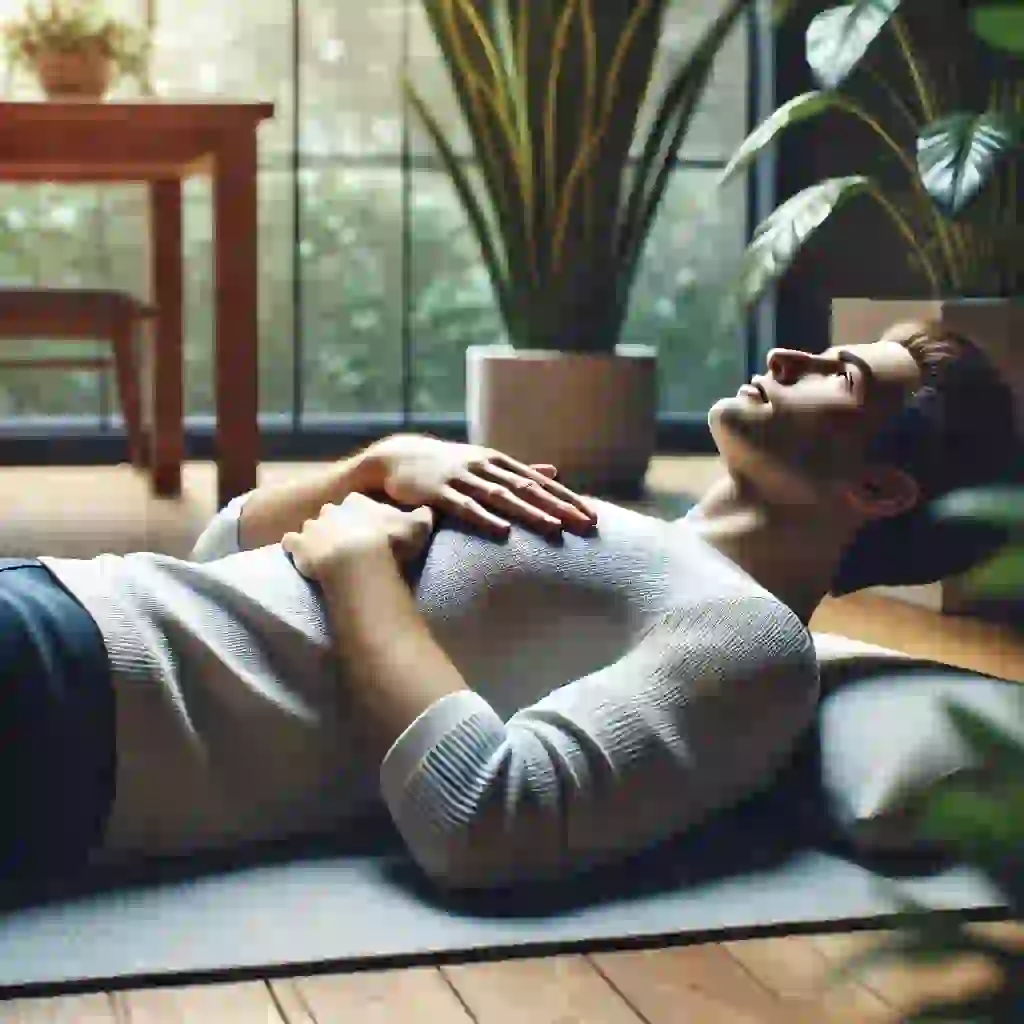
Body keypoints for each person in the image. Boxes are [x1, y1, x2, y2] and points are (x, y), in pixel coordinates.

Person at [1, 319, 1017, 894]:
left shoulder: (746, 639)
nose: (790, 358)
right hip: (67, 603)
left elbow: (486, 820)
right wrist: (378, 463)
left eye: (839, 374)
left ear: (879, 493)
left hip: (78, 713)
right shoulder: (627, 525)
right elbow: (226, 556)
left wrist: (360, 573)